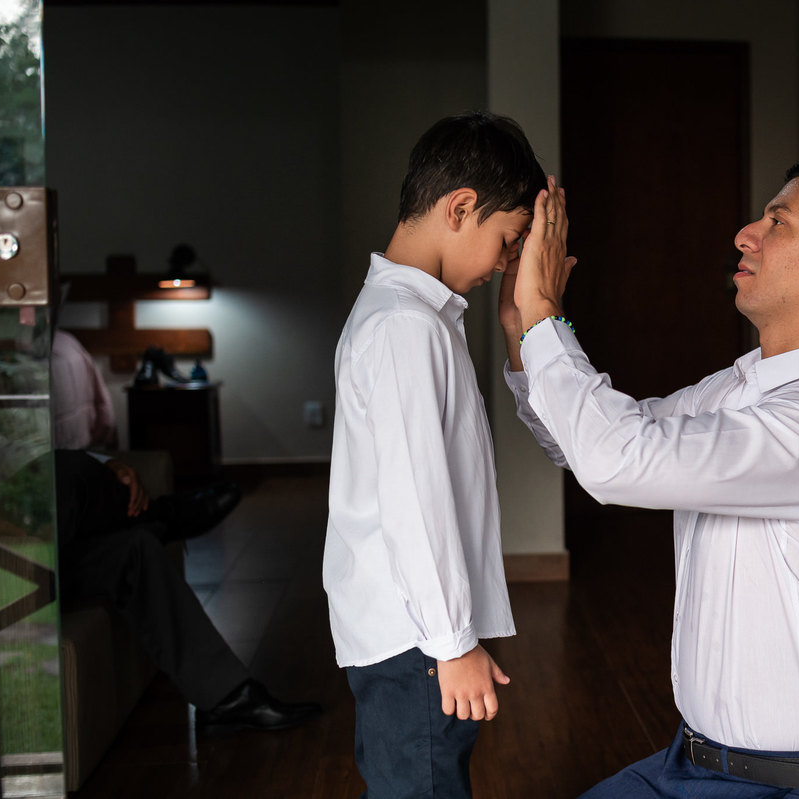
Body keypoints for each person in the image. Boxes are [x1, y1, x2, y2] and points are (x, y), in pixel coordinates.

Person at [501, 159, 799, 797]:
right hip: (691, 761)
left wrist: (545, 312)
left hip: (789, 785)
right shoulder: (734, 390)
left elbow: (615, 459)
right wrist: (524, 333)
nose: (746, 234)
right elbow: (583, 446)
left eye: (777, 222)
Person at [323, 111, 545, 798]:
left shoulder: (410, 317)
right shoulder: (404, 326)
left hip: (408, 632)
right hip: (415, 638)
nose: (505, 262)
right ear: (460, 208)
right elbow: (415, 500)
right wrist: (452, 642)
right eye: (506, 240)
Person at [47, 328, 320, 736]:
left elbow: (9, 456)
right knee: (58, 474)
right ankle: (163, 516)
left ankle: (226, 697)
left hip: (42, 550)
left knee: (135, 548)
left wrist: (104, 463)